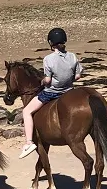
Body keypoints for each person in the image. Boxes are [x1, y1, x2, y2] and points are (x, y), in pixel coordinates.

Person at [18, 28, 84, 159]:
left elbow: (48, 80)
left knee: (27, 111)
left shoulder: (49, 59)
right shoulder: (72, 56)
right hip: (69, 91)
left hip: (52, 93)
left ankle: (29, 142)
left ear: (51, 43)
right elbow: (77, 76)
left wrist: (42, 82)